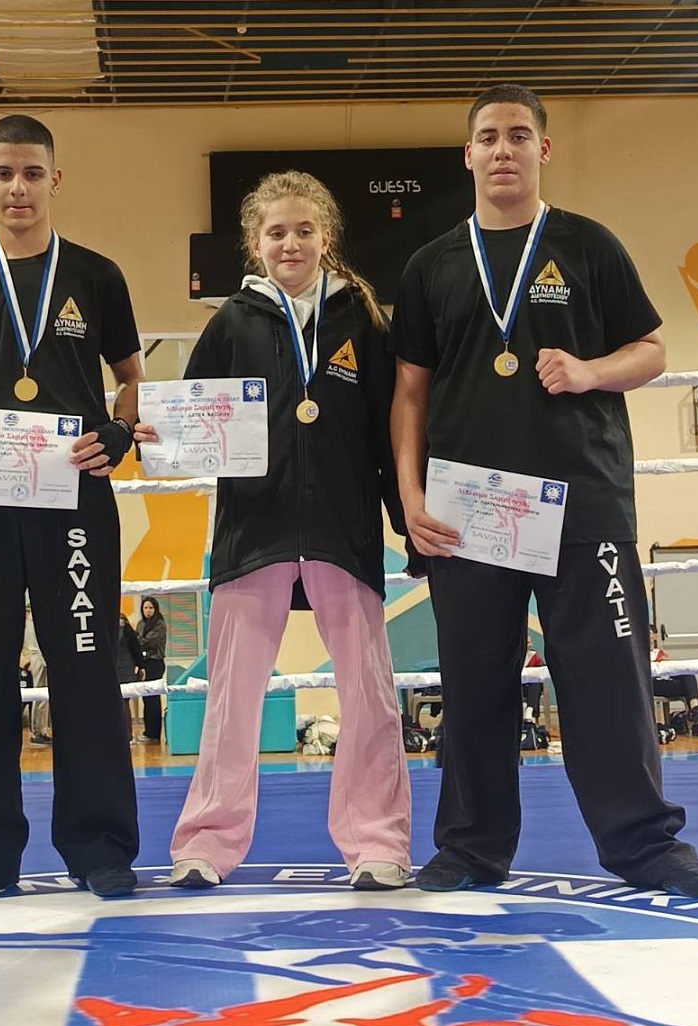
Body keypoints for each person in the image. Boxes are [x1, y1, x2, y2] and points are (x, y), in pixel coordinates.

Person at [390, 83, 698, 898]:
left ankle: (643, 845)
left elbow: (651, 350)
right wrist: (409, 497)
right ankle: (471, 849)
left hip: (583, 500)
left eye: (518, 135)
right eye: (488, 137)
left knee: (608, 680)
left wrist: (588, 371)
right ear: (467, 155)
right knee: (474, 684)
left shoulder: (587, 245)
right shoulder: (432, 265)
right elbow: (409, 393)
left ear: (543, 149)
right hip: (470, 511)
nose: (502, 149)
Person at [136, 170, 413, 892]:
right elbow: (191, 418)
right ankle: (206, 843)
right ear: (254, 245)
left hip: (344, 529)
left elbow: (390, 432)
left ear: (327, 236)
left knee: (370, 696)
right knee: (231, 697)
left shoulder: (362, 319)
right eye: (276, 232)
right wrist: (158, 435)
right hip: (251, 529)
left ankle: (377, 843)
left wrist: (407, 522)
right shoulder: (232, 321)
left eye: (303, 230)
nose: (291, 243)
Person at [0, 113, 142, 902]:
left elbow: (130, 377)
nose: (18, 188)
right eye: (4, 174)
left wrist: (120, 430)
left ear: (54, 181)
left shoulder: (97, 275)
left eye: (32, 173)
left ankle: (99, 845)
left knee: (85, 668)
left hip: (74, 499)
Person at [650, 625, 698, 738]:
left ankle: (696, 712)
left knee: (688, 675)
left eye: (650, 633)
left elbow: (669, 669)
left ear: (655, 636)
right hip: (652, 684)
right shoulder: (639, 653)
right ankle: (697, 720)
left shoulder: (659, 653)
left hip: (665, 681)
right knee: (687, 687)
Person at [135, 595, 167, 742]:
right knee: (146, 697)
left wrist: (137, 641)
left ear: (156, 609)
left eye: (151, 608)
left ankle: (154, 734)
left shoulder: (160, 624)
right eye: (145, 607)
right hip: (144, 663)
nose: (148, 610)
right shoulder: (141, 623)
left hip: (155, 663)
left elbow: (147, 642)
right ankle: (148, 732)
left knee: (153, 698)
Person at [22, 604, 51, 747]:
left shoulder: (34, 619)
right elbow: (36, 643)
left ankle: (42, 730)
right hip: (38, 658)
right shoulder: (32, 621)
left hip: (40, 657)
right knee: (39, 696)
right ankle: (36, 732)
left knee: (44, 697)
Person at [117, 613, 145, 741]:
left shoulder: (108, 632)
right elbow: (136, 650)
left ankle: (124, 735)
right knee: (125, 703)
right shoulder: (128, 630)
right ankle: (128, 735)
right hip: (127, 670)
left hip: (117, 671)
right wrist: (141, 667)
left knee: (120, 704)